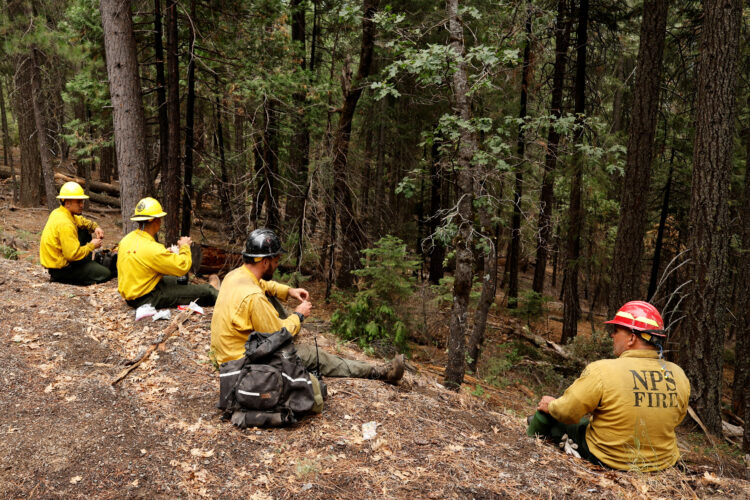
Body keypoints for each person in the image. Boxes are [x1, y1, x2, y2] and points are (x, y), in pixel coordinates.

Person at [210, 228, 404, 385]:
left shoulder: (235, 276)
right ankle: (379, 372)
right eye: (276, 261)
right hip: (243, 363)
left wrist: (289, 291)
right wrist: (298, 316)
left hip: (229, 355)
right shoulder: (253, 297)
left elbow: (264, 285)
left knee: (272, 298)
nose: (277, 265)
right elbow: (278, 335)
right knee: (312, 354)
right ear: (265, 261)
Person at [526, 301, 690, 472]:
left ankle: (527, 447)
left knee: (545, 414)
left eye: (616, 331)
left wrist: (550, 405)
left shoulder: (602, 370)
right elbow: (676, 418)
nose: (612, 336)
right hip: (662, 463)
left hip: (608, 459)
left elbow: (567, 412)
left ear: (632, 338)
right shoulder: (678, 374)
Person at [117, 197, 219, 308]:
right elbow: (182, 267)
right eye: (160, 218)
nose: (160, 221)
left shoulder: (126, 240)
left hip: (136, 292)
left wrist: (165, 254)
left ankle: (195, 291)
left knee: (178, 281)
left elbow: (142, 260)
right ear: (155, 220)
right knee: (206, 291)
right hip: (146, 297)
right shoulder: (152, 248)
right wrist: (185, 247)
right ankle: (215, 293)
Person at [39, 182, 112, 285]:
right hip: (62, 270)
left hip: (61, 263)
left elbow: (81, 221)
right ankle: (69, 279)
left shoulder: (60, 212)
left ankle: (85, 266)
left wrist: (95, 227)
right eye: (78, 202)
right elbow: (72, 255)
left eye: (82, 201)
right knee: (106, 274)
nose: (82, 205)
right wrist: (91, 246)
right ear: (68, 203)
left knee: (84, 229)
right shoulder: (65, 224)